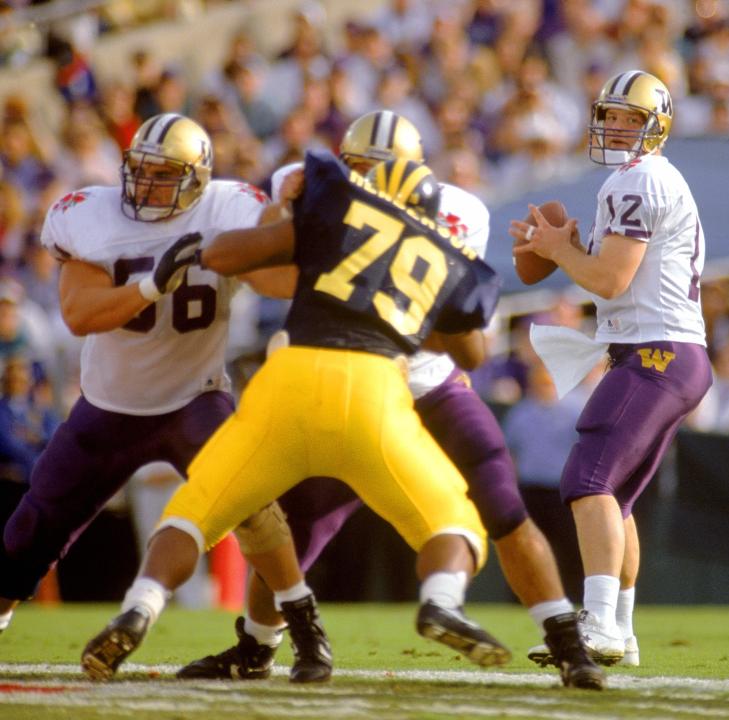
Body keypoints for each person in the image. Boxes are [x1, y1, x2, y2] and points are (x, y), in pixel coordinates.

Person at [176, 110, 604, 690]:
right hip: (348, 382)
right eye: (357, 168)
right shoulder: (315, 192)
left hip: (426, 384)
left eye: (380, 169)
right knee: (302, 520)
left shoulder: (457, 211)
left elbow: (451, 325)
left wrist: (369, 302)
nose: (368, 180)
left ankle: (567, 643)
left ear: (414, 170)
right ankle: (257, 645)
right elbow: (268, 273)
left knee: (503, 507)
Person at [80, 151, 511, 683]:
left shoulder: (336, 217)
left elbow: (223, 254)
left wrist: (286, 217)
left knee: (196, 510)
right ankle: (441, 599)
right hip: (375, 390)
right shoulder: (443, 251)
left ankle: (141, 604)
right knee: (452, 520)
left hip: (289, 378)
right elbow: (472, 357)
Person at [0, 115, 325, 682]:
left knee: (256, 504)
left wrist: (290, 220)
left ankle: (297, 626)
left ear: (198, 178)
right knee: (37, 524)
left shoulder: (227, 207)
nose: (147, 187)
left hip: (195, 398)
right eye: (140, 172)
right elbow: (78, 314)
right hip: (109, 405)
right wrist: (153, 284)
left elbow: (281, 280)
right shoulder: (89, 213)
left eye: (164, 175)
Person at [510, 70, 713, 666]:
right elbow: (611, 274)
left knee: (587, 481)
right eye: (612, 117)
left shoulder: (638, 180)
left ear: (657, 126)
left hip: (657, 352)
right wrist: (567, 244)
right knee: (615, 500)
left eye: (632, 118)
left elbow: (609, 279)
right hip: (669, 353)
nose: (618, 127)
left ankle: (597, 622)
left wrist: (559, 251)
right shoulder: (644, 180)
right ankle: (619, 628)